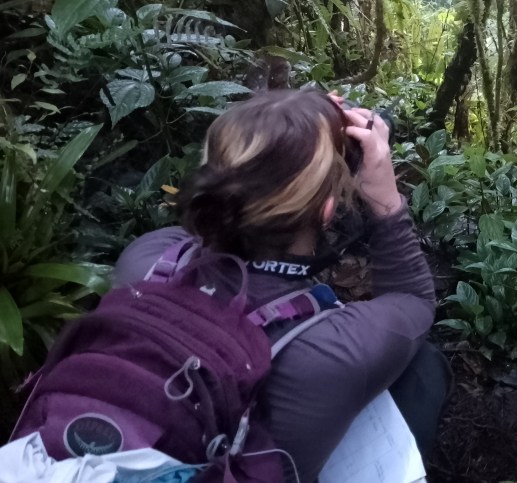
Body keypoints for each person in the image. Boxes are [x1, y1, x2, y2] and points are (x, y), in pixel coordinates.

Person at [111, 89, 447, 482]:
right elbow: (413, 298)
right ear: (326, 211)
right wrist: (384, 196)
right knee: (423, 368)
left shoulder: (146, 261)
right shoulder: (326, 352)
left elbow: (212, 230)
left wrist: (286, 121)